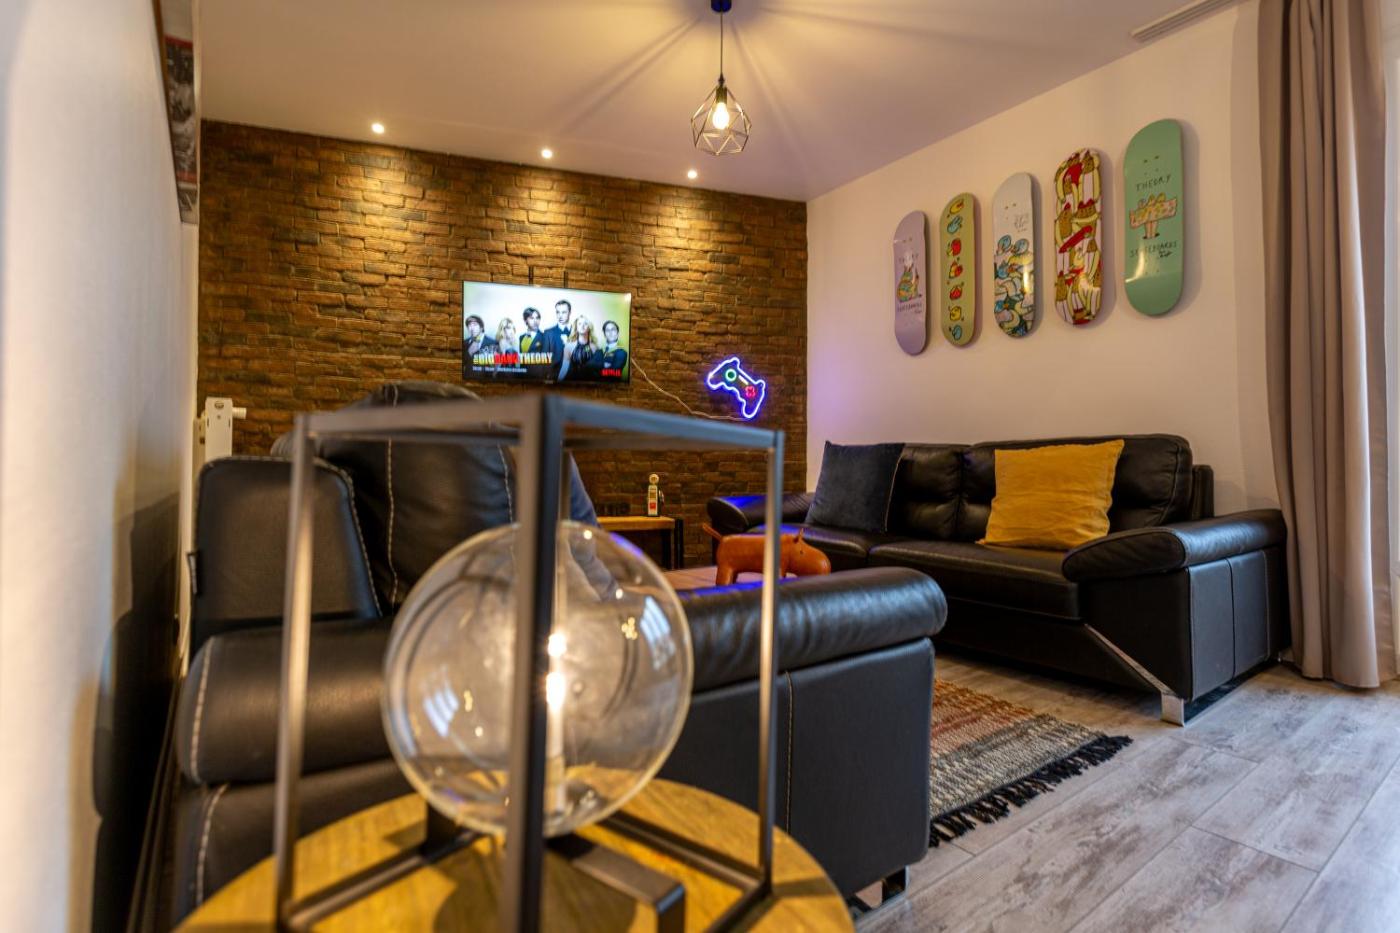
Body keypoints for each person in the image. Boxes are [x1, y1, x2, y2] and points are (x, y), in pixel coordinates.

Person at [558, 314, 602, 381]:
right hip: (573, 382)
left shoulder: (595, 347)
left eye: (585, 324)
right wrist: (558, 382)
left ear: (589, 327)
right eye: (579, 324)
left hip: (591, 382)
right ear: (576, 327)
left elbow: (598, 369)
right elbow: (564, 368)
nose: (582, 326)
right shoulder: (569, 347)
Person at [540, 299, 572, 370]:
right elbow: (544, 358)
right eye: (558, 312)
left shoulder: (576, 332)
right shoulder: (548, 333)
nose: (560, 316)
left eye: (563, 312)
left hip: (573, 375)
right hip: (553, 374)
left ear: (569, 313)